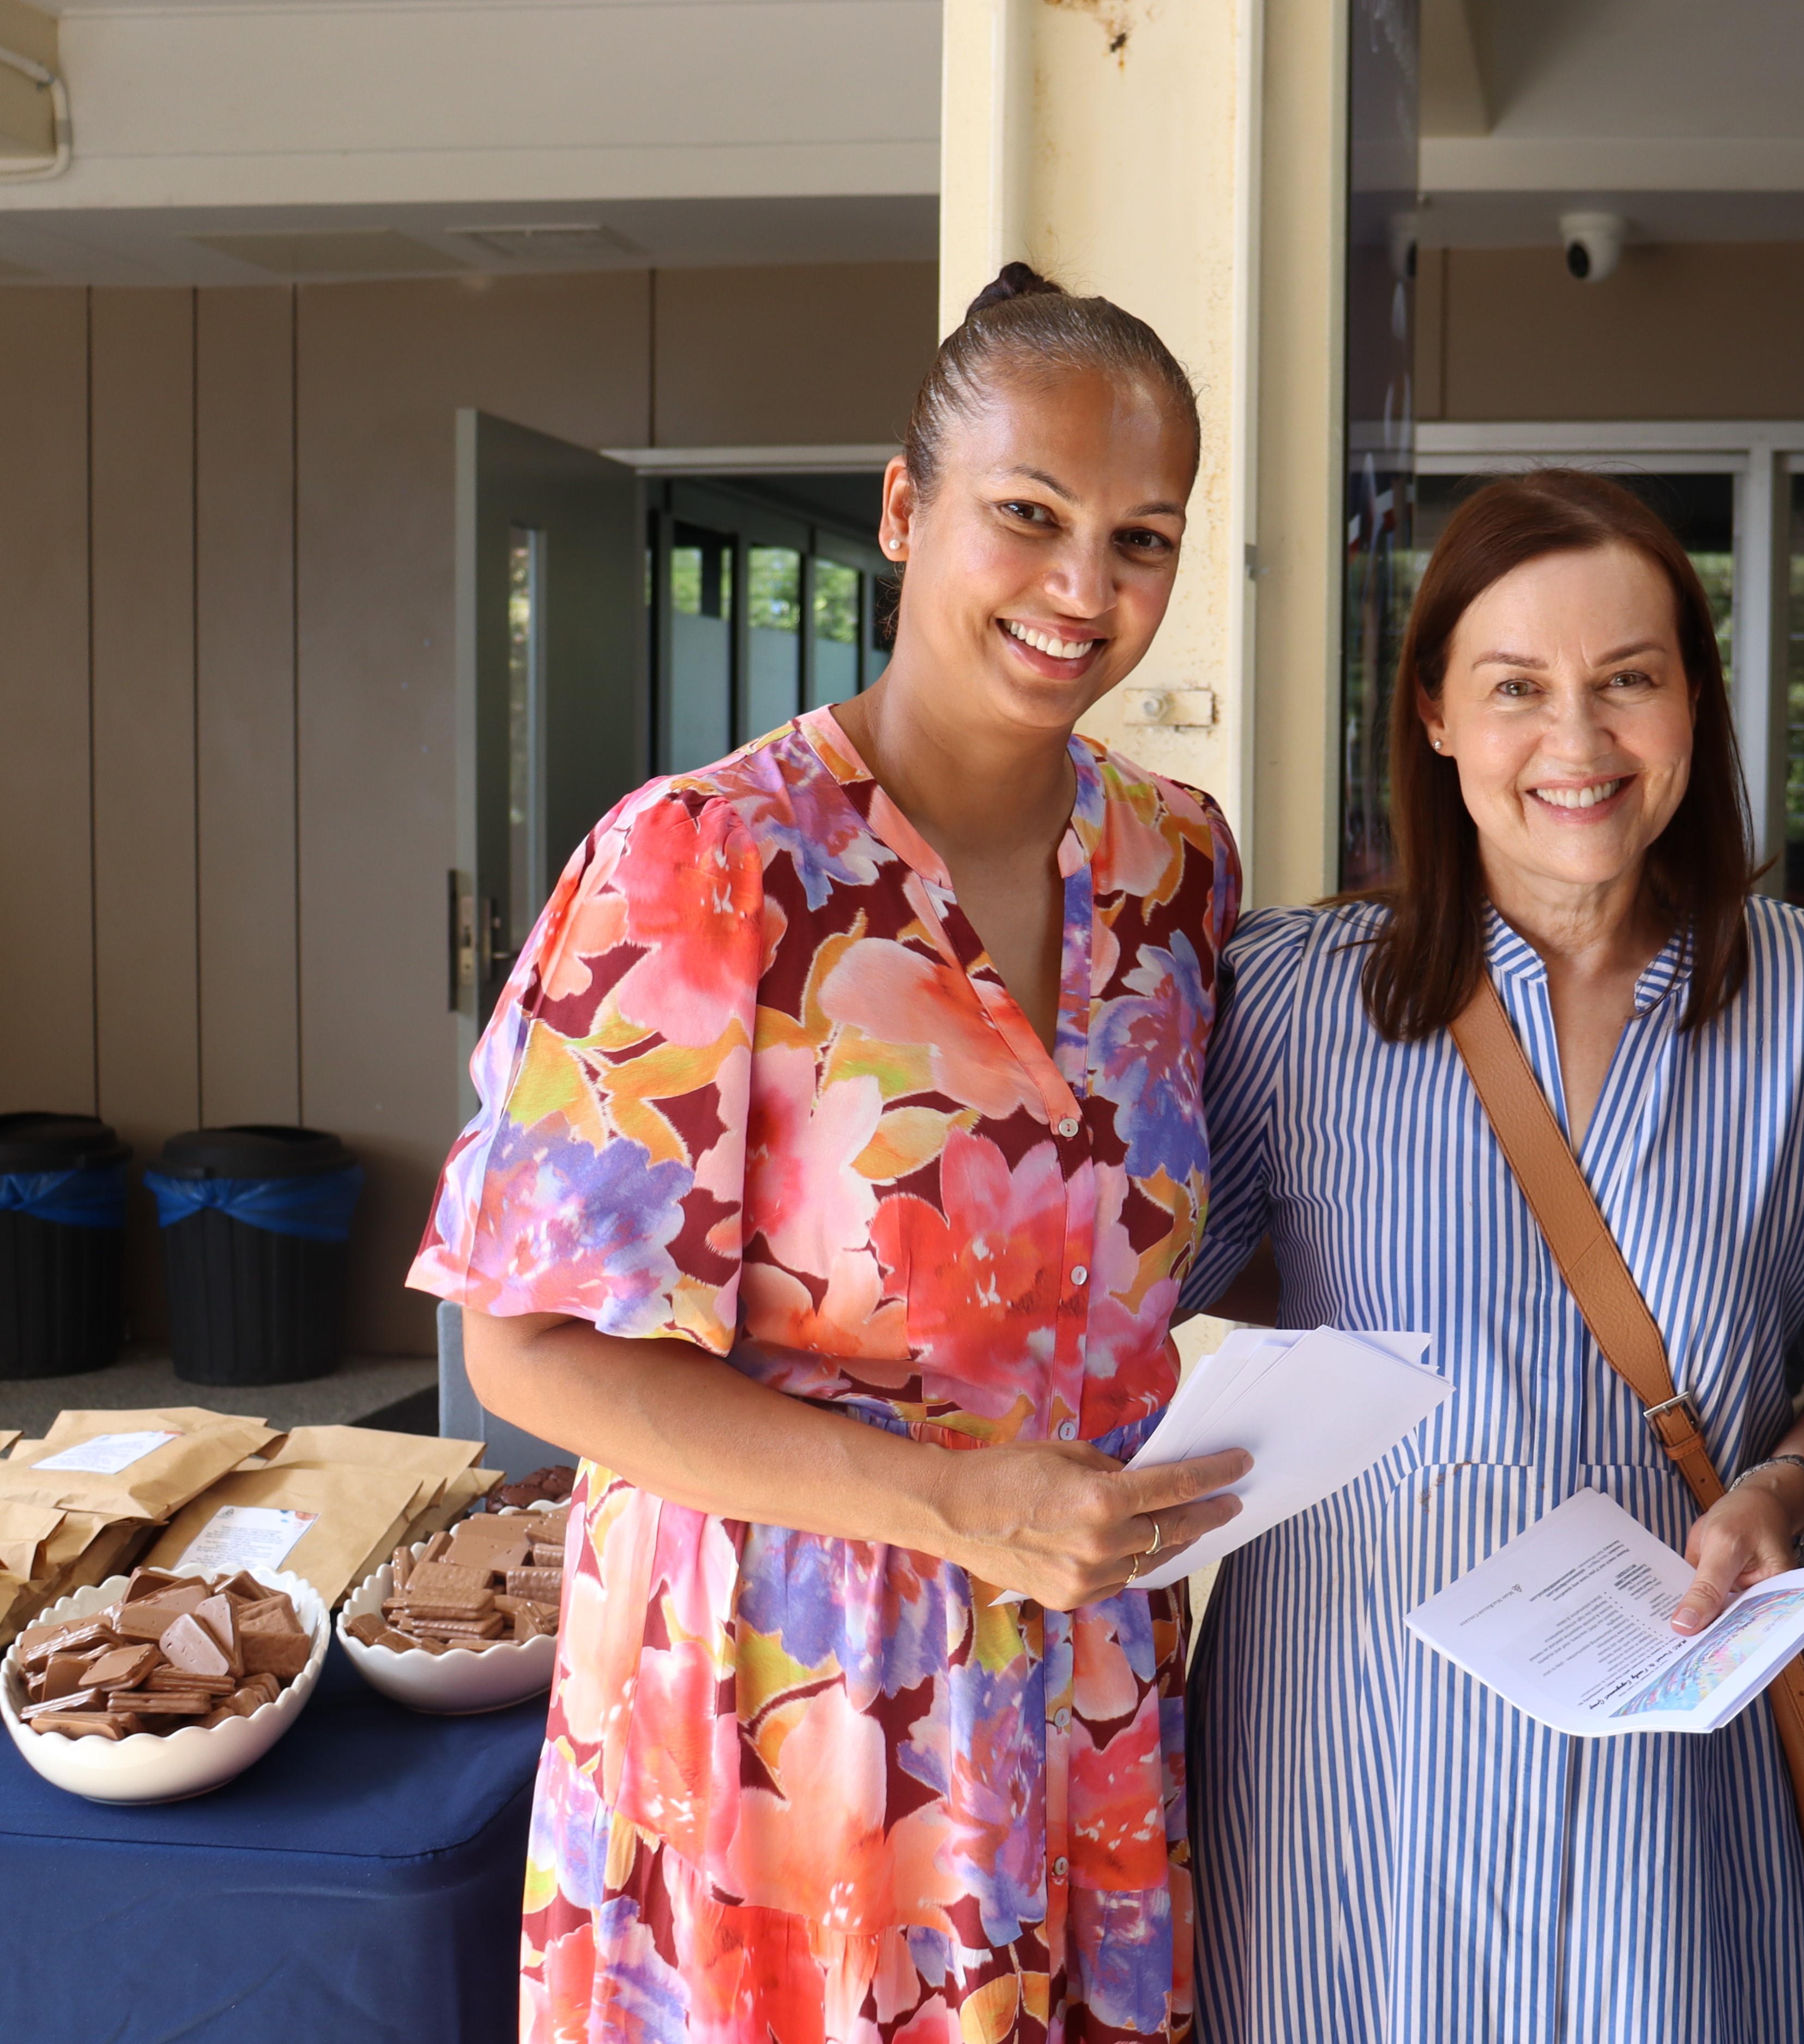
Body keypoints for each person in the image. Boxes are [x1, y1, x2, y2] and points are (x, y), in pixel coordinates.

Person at [411, 264, 1254, 2042]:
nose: (1084, 591)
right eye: (1029, 516)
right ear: (903, 509)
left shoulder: (1177, 869)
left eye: (1143, 538)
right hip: (781, 1717)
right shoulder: (708, 864)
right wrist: (962, 1503)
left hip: (1080, 1687)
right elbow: (527, 1346)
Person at [1175, 470, 1804, 2043]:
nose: (1577, 744)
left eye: (1627, 683)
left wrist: (1784, 1490)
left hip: (1670, 1736)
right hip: (1348, 1725)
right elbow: (1147, 1281)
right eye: (1517, 688)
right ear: (1438, 715)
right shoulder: (1288, 1002)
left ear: (1694, 706)